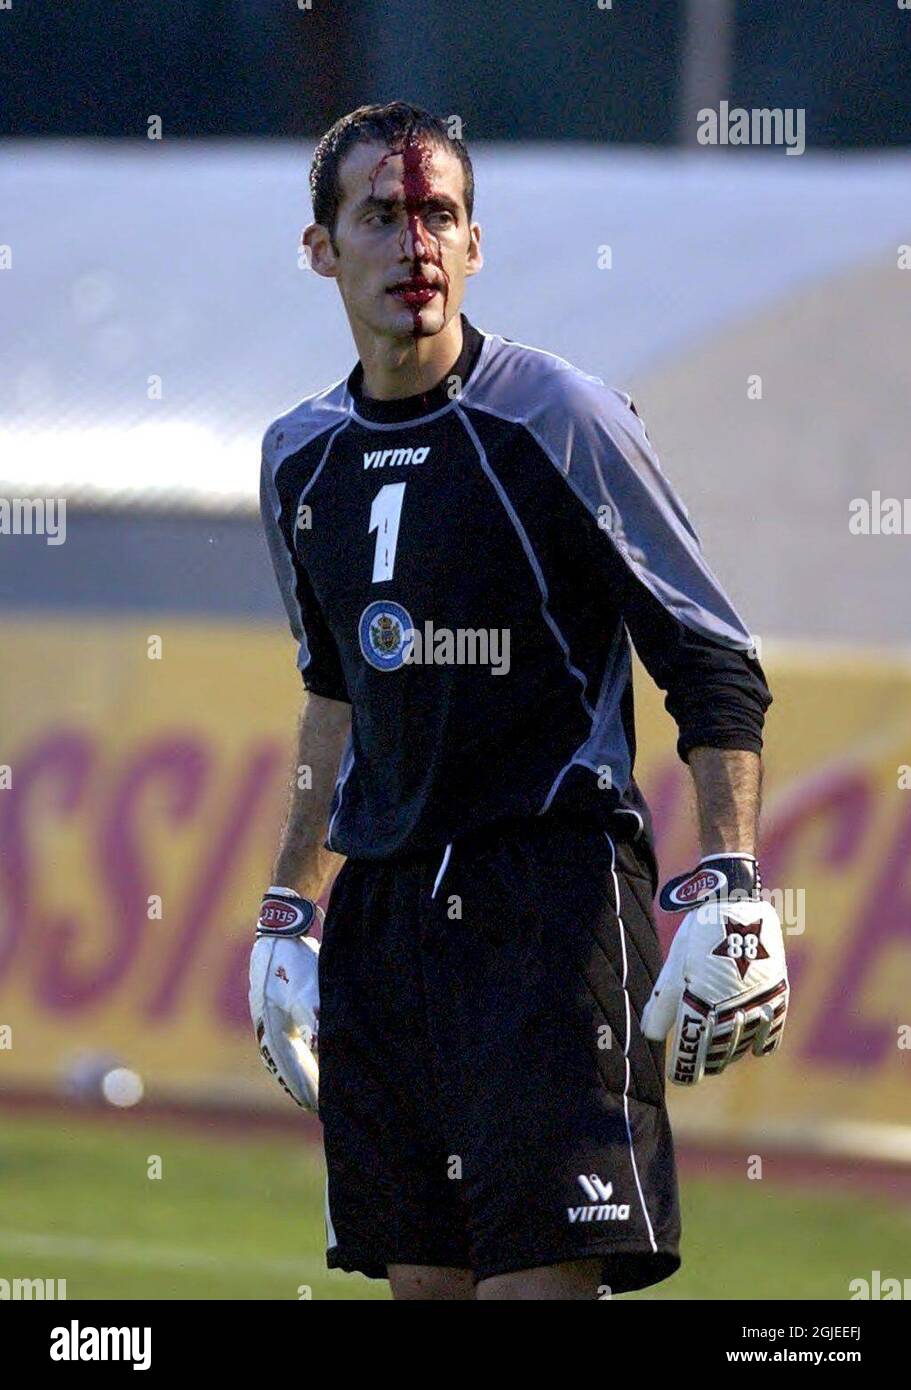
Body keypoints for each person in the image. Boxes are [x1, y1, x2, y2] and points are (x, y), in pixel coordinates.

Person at [249, 101, 787, 1301]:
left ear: (476, 245)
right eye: (379, 217)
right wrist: (290, 904)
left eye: (437, 214)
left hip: (546, 902)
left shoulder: (560, 417)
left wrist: (735, 878)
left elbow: (708, 653)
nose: (414, 244)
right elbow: (333, 693)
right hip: (386, 916)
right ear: (321, 249)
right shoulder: (298, 456)